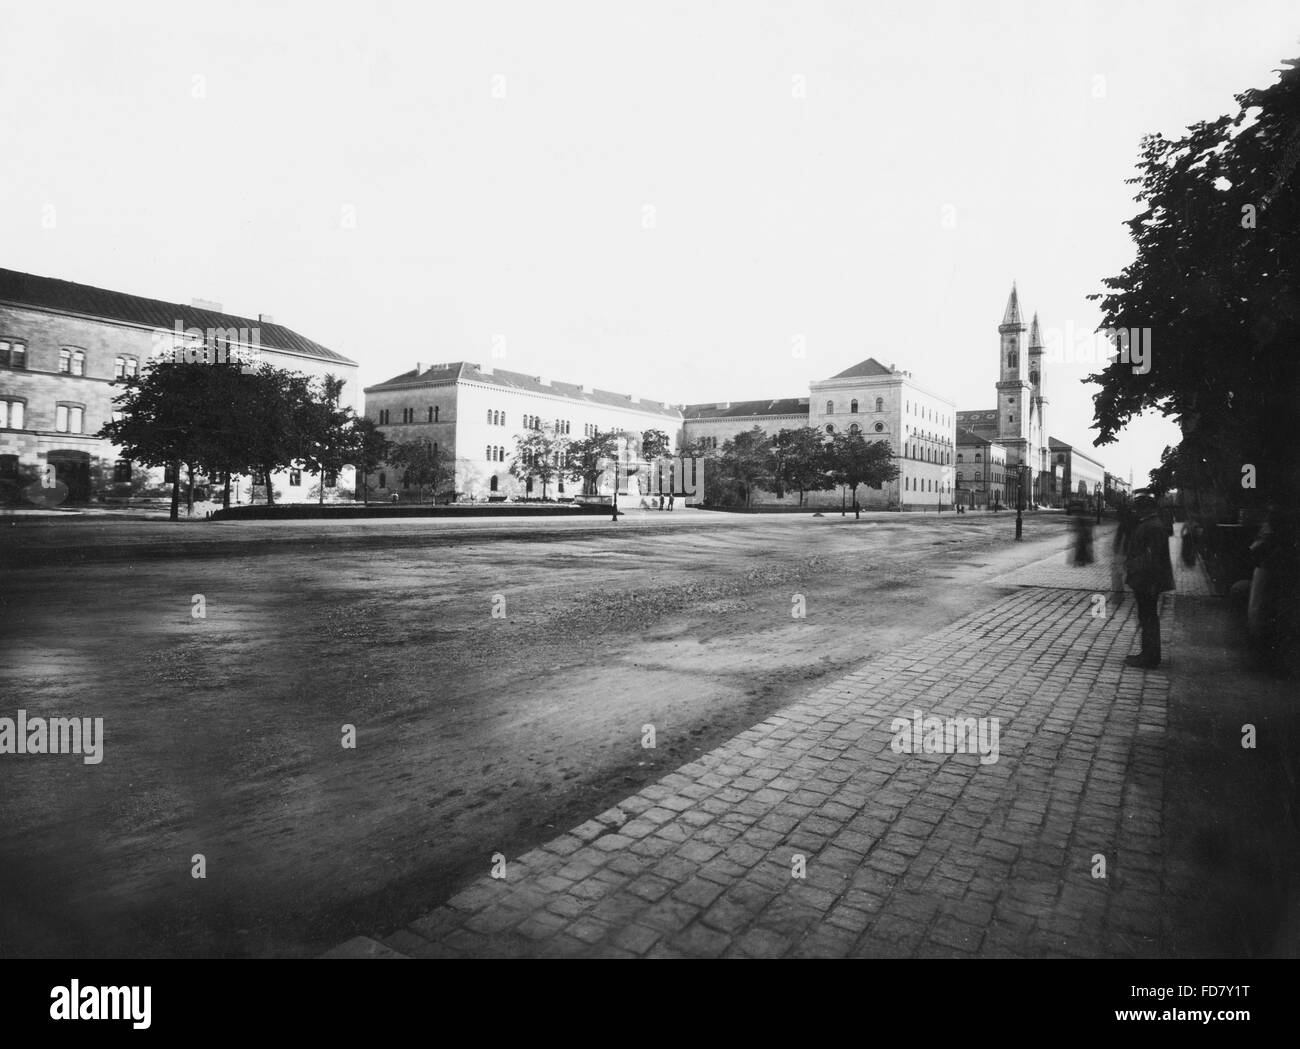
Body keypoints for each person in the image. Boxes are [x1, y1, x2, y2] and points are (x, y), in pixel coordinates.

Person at [1123, 492, 1176, 668]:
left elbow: (1151, 557)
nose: (1136, 511)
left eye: (1138, 508)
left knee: (1148, 617)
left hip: (1148, 579)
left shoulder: (1151, 526)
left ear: (1146, 508)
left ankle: (1150, 657)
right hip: (1147, 578)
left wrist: (1133, 567)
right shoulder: (1151, 524)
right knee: (1147, 616)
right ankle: (1148, 654)